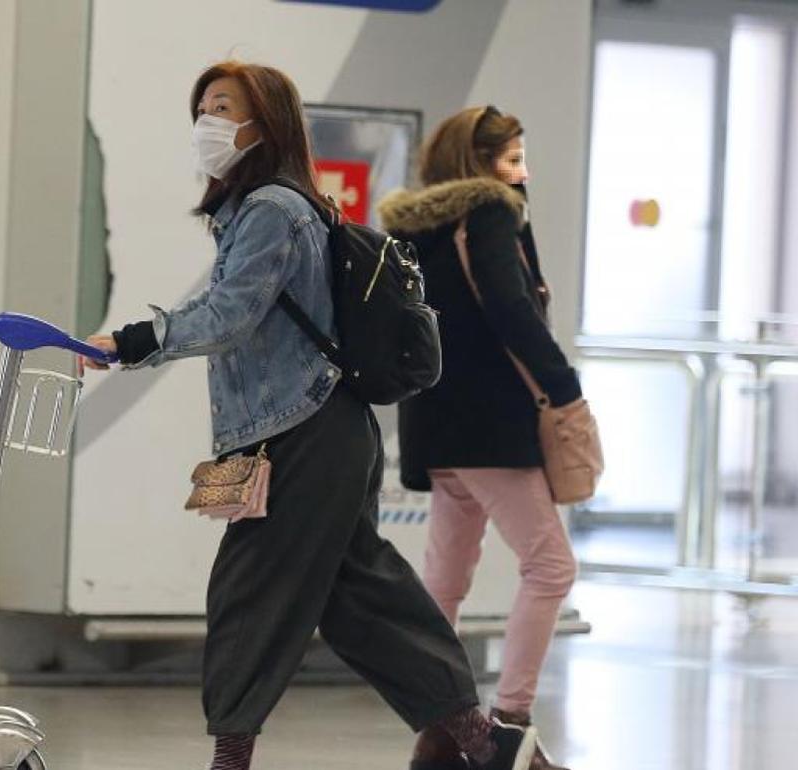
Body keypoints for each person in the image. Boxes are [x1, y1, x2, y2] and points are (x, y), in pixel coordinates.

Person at [81, 63, 541, 770]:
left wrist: (134, 341)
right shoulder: (262, 208)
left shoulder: (273, 209)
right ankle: (489, 749)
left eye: (224, 107)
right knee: (362, 600)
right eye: (201, 108)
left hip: (303, 434)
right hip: (309, 430)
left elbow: (230, 315)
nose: (207, 123)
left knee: (248, 594)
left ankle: (230, 760)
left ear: (265, 122)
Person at [377, 105, 580, 770]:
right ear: (481, 164)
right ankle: (509, 729)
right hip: (491, 425)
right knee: (551, 566)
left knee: (446, 579)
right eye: (512, 158)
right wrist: (564, 384)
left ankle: (441, 729)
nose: (522, 172)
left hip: (435, 426)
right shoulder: (490, 214)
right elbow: (511, 309)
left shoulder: (416, 228)